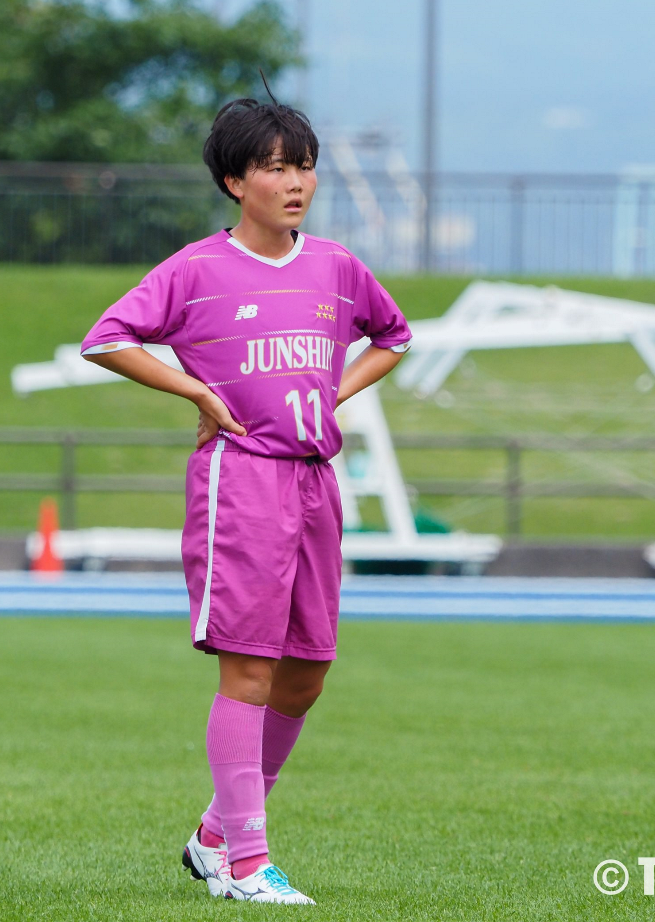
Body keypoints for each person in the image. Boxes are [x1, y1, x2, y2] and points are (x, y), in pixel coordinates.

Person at [81, 93, 411, 904]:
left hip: (314, 480)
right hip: (244, 480)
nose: (295, 181)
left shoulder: (336, 266)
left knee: (307, 674)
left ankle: (216, 834)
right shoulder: (197, 269)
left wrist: (334, 389)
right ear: (235, 180)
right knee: (251, 667)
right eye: (274, 166)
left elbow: (394, 337)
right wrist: (194, 387)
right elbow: (107, 339)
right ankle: (246, 864)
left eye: (303, 164)